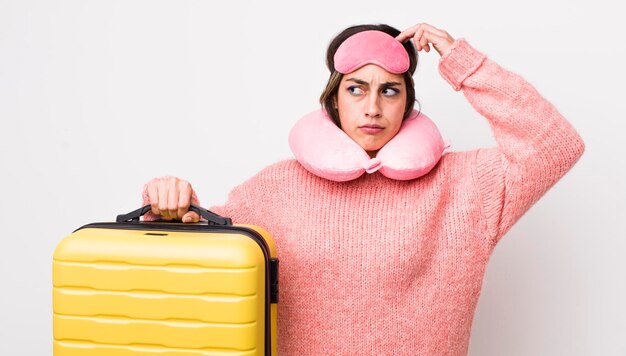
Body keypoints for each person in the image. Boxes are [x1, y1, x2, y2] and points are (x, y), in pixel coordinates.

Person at [142, 22, 585, 355]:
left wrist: (462, 61)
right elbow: (197, 239)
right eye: (357, 89)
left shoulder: (468, 186)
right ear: (335, 98)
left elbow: (555, 145)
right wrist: (168, 200)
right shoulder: (276, 187)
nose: (373, 108)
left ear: (407, 104)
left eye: (389, 91)